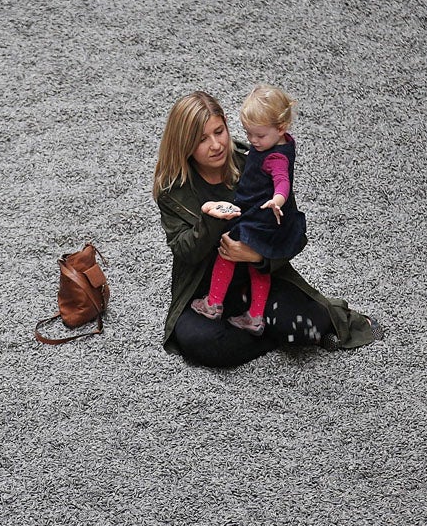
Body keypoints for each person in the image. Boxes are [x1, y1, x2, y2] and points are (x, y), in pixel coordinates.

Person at [153, 90, 383, 368]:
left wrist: (257, 257)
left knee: (307, 323)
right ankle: (275, 334)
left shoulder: (257, 160)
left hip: (258, 282)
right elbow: (185, 251)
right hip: (203, 293)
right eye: (202, 139)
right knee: (201, 344)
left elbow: (294, 236)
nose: (215, 145)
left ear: (227, 124)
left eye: (219, 131)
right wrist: (210, 220)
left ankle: (273, 327)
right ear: (185, 143)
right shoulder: (172, 191)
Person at [190, 85, 307, 336]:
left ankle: (213, 303)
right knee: (257, 265)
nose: (253, 141)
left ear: (281, 128)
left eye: (259, 136)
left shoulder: (276, 157)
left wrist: (278, 199)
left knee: (228, 253)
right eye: (248, 133)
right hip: (264, 218)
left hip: (258, 215)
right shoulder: (276, 141)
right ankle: (255, 316)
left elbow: (282, 180)